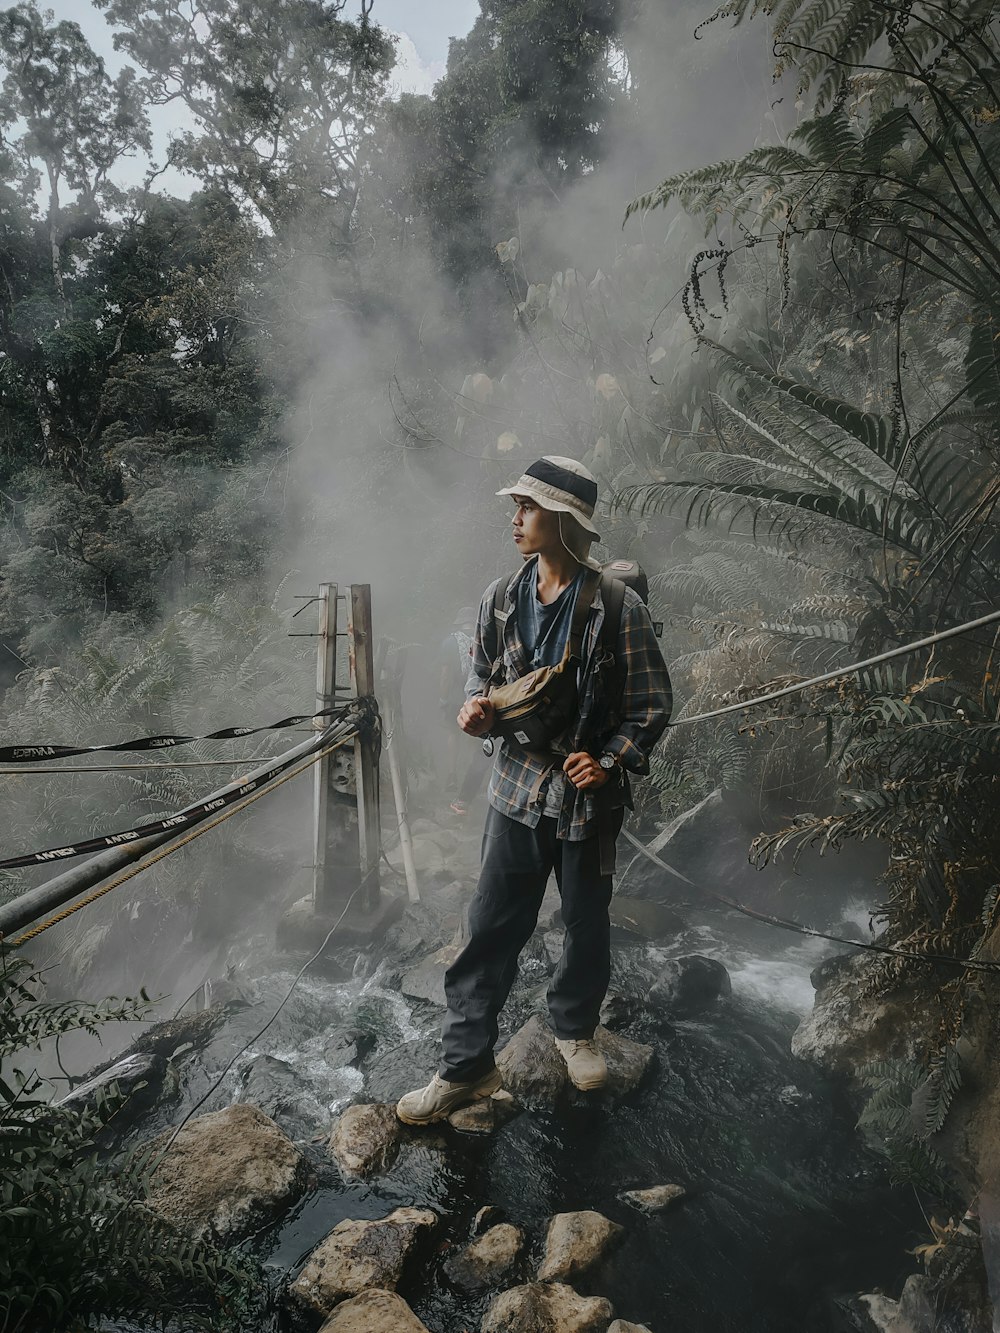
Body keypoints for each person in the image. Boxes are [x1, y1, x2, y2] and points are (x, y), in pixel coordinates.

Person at [396, 455, 672, 1125]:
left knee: (582, 925)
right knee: (491, 927)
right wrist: (475, 710)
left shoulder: (617, 607)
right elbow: (480, 679)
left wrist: (610, 760)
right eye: (516, 505)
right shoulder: (499, 598)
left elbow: (651, 703)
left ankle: (575, 1031)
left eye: (529, 507)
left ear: (564, 521)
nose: (515, 518)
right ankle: (467, 1066)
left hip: (587, 799)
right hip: (515, 788)